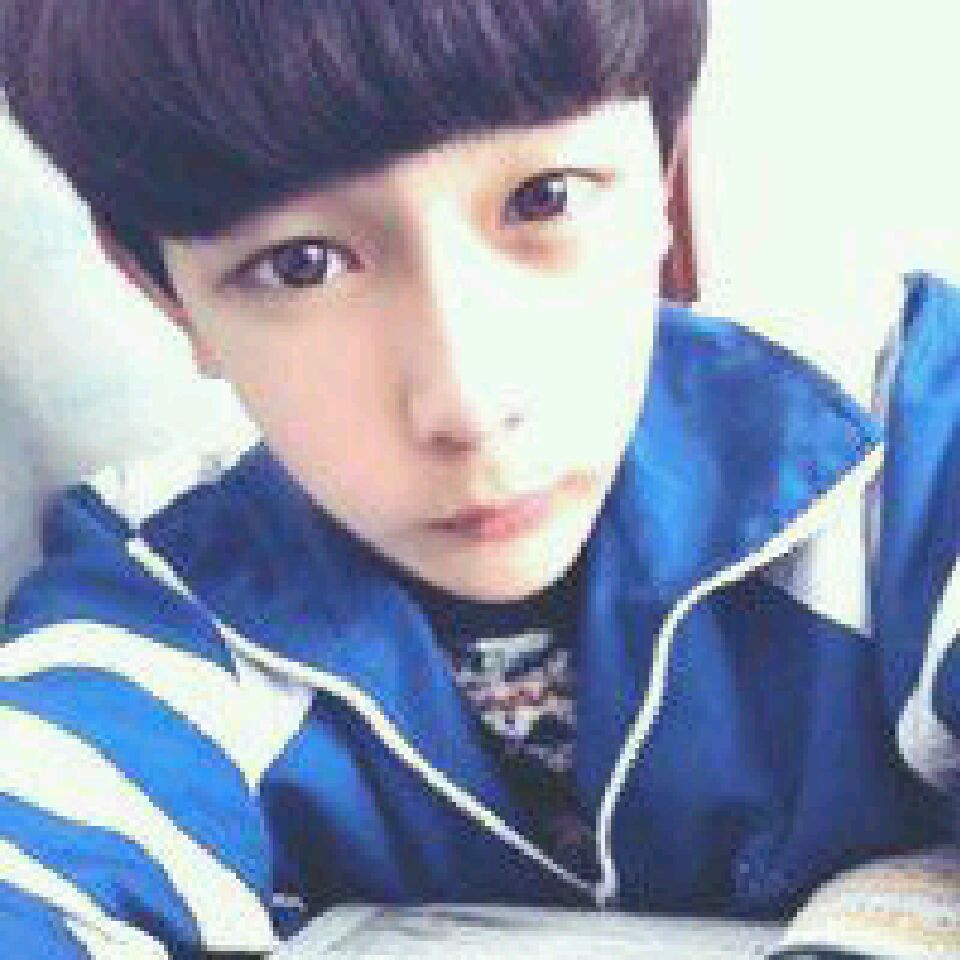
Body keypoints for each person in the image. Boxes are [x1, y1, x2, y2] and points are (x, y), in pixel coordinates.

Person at [0, 1, 957, 956]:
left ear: (663, 179)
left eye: (545, 198)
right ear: (166, 297)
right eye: (300, 265)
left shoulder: (895, 433)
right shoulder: (159, 596)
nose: (469, 402)